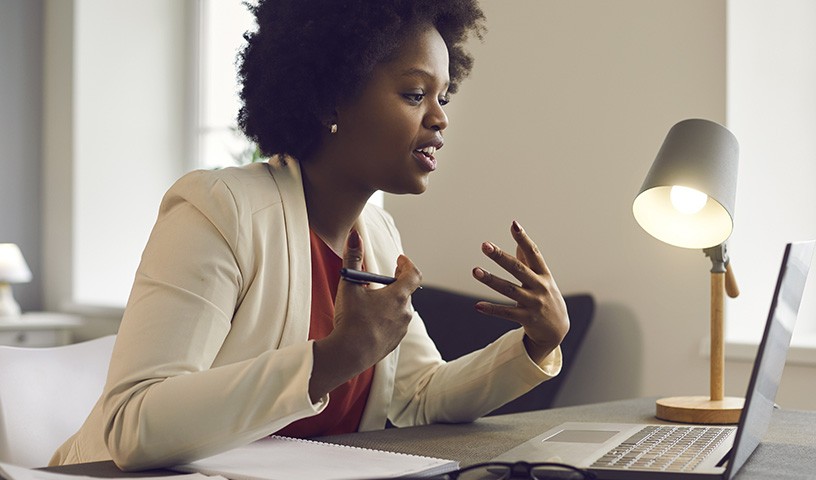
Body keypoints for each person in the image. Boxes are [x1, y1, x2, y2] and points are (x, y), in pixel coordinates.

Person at [51, 0, 570, 471]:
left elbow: (419, 397)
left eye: (442, 95)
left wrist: (536, 343)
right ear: (330, 101)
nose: (440, 118)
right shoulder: (219, 209)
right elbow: (133, 425)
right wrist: (329, 361)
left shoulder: (379, 236)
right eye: (415, 94)